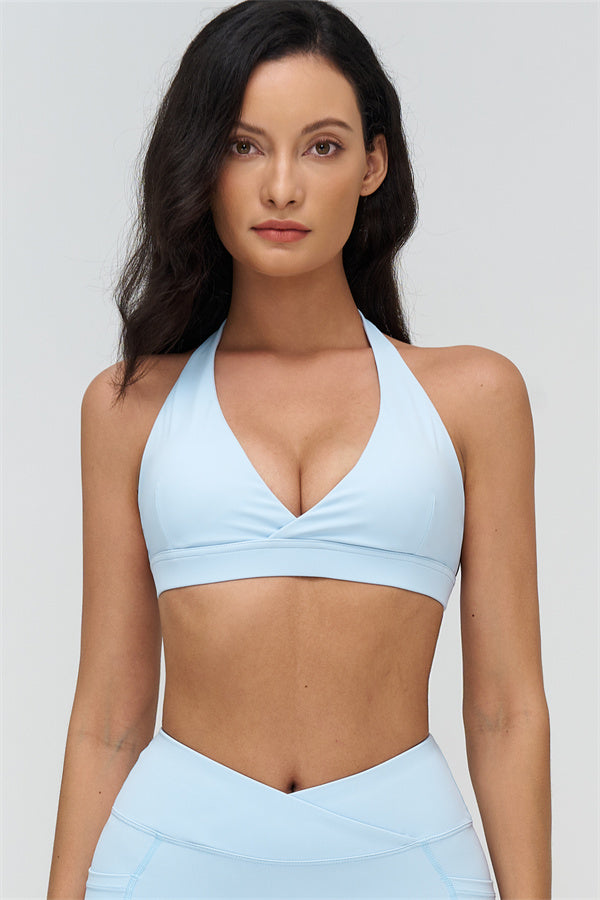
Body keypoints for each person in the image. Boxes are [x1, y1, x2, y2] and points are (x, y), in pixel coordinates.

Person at [47, 1, 551, 897]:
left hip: (409, 861)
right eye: (244, 146)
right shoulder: (129, 407)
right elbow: (108, 719)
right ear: (202, 165)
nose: (281, 188)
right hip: (167, 861)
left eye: (321, 146)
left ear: (373, 164)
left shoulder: (474, 398)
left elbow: (506, 709)